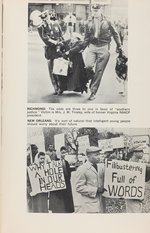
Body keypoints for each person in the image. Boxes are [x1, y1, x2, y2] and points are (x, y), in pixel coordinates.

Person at [84, 5, 122, 100]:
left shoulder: (108, 21)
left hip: (104, 47)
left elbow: (115, 34)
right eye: (93, 11)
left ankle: (93, 92)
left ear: (101, 10)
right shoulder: (88, 22)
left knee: (99, 71)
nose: (95, 13)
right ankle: (93, 78)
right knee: (88, 66)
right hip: (92, 47)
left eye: (96, 11)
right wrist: (82, 47)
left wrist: (119, 46)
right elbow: (86, 38)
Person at [30, 9, 64, 95]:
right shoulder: (41, 28)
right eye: (43, 19)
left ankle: (61, 87)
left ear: (49, 16)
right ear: (42, 19)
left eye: (46, 18)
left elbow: (61, 36)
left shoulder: (56, 24)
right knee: (52, 70)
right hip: (50, 51)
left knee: (60, 69)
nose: (45, 20)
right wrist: (55, 42)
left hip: (59, 50)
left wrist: (62, 45)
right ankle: (56, 88)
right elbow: (45, 39)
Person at [75, 146, 106, 213]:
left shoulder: (101, 167)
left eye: (99, 154)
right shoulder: (82, 169)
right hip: (89, 204)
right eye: (96, 155)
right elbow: (79, 187)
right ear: (88, 155)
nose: (99, 157)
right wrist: (95, 190)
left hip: (101, 203)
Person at [49, 146, 74, 213]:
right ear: (58, 153)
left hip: (66, 185)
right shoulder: (54, 162)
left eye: (65, 153)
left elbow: (68, 174)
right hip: (58, 187)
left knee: (67, 204)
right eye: (62, 153)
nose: (64, 154)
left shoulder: (66, 162)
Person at [125, 145, 145, 213]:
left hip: (139, 195)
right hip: (131, 196)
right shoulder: (127, 165)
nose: (143, 153)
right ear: (134, 153)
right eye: (140, 151)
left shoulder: (141, 165)